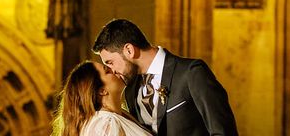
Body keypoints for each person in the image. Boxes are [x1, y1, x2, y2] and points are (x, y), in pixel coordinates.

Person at [92, 19, 238, 136]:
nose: (112, 71)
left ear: (129, 50)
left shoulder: (191, 73)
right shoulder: (131, 91)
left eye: (110, 62)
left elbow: (223, 132)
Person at [52, 60, 152, 136]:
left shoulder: (116, 117)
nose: (114, 70)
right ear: (102, 91)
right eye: (108, 71)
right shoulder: (105, 123)